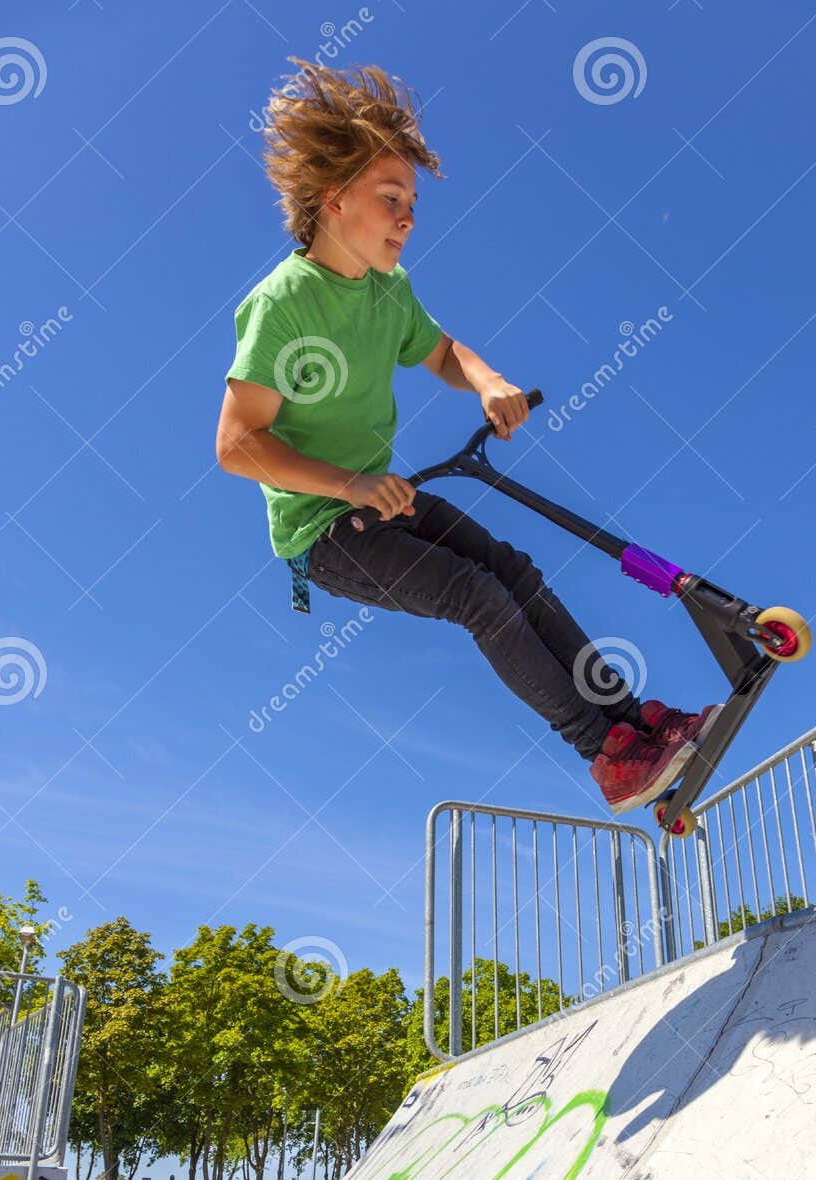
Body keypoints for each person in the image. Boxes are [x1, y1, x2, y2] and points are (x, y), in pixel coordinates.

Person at [216, 58, 721, 812]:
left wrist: (488, 382)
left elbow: (443, 352)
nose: (407, 218)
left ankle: (634, 724)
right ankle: (606, 755)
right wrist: (350, 483)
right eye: (390, 199)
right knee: (474, 594)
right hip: (323, 531)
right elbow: (237, 445)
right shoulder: (282, 303)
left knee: (514, 571)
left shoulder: (389, 293)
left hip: (388, 500)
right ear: (332, 201)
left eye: (412, 203)